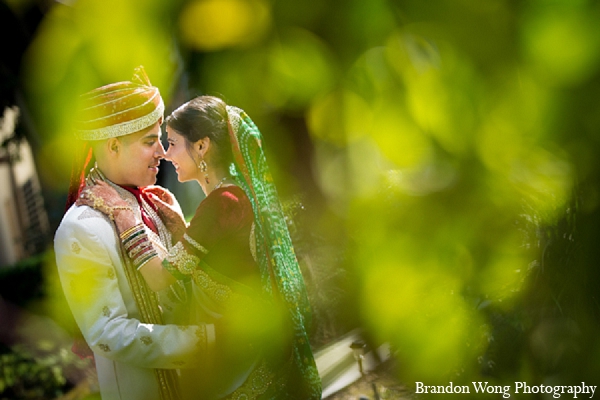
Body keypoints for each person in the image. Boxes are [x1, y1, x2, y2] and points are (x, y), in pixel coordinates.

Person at [78, 95, 322, 399]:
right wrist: (180, 226)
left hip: (242, 362)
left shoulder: (221, 204)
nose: (166, 154)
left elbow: (160, 277)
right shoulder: (234, 195)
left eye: (173, 142)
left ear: (202, 146)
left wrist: (124, 217)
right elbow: (214, 261)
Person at [54, 67, 215, 400]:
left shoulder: (152, 203)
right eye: (149, 142)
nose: (162, 152)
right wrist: (205, 340)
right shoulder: (80, 228)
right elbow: (107, 333)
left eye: (160, 139)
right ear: (113, 146)